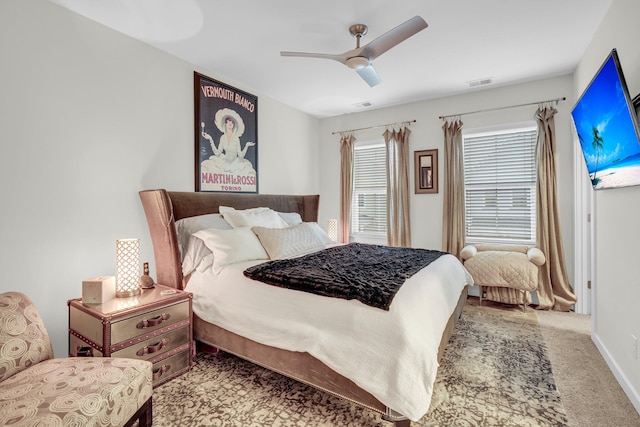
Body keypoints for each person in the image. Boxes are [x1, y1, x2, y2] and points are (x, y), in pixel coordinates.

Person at [201, 108, 256, 176]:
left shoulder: (236, 138)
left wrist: (246, 146)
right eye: (229, 121)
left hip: (235, 164)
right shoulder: (223, 137)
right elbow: (217, 153)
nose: (231, 123)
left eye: (232, 122)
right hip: (224, 162)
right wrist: (210, 139)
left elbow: (240, 156)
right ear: (225, 123)